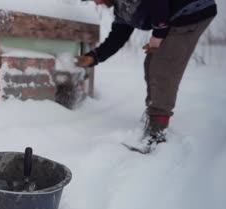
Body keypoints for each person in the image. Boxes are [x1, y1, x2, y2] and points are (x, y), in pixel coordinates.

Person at [76, 0, 217, 146]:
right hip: (171, 19)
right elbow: (117, 37)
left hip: (190, 11)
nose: (96, 3)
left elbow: (158, 3)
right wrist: (94, 57)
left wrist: (158, 32)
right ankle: (154, 115)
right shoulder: (121, 9)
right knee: (150, 63)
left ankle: (157, 132)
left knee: (163, 68)